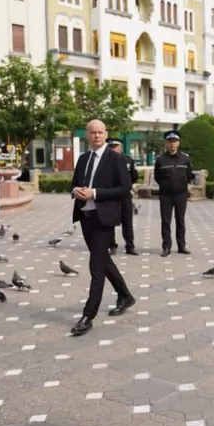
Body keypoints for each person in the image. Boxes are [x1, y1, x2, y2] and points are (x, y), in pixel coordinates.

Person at [70, 120, 136, 336]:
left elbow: (124, 189)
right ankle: (125, 295)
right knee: (103, 260)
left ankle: (88, 315)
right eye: (93, 133)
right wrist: (75, 191)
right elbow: (73, 183)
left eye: (100, 132)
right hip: (85, 217)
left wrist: (95, 193)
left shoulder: (116, 159)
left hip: (104, 219)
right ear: (87, 135)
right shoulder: (83, 158)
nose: (97, 136)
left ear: (106, 134)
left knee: (96, 267)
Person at [154, 130, 195, 257]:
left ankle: (181, 246)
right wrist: (165, 185)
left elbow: (189, 175)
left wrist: (183, 186)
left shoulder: (185, 159)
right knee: (166, 221)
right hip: (166, 195)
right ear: (166, 143)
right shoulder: (161, 160)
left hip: (181, 195)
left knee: (180, 221)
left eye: (175, 141)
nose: (172, 144)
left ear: (178, 143)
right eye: (170, 142)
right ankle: (166, 247)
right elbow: (157, 176)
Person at [107, 138, 138, 256]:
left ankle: (130, 246)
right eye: (111, 147)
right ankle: (112, 246)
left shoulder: (128, 160)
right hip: (110, 195)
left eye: (116, 146)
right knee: (110, 222)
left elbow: (133, 176)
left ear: (120, 147)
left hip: (125, 196)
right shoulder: (105, 161)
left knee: (127, 222)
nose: (113, 149)